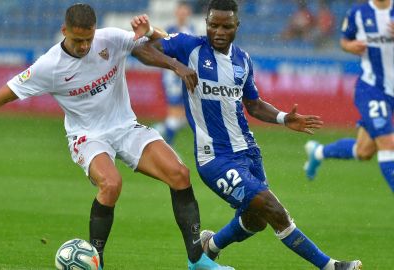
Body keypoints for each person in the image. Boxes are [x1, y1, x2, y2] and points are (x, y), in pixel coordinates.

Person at [0, 4, 234, 270]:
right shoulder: (48, 66)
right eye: (78, 40)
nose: (84, 46)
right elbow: (2, 96)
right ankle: (96, 262)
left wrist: (175, 65)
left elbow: (141, 48)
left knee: (180, 174)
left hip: (125, 127)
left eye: (88, 39)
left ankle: (197, 260)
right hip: (87, 136)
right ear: (64, 31)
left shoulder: (108, 38)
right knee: (111, 183)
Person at [133, 0, 362, 269]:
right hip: (215, 160)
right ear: (206, 24)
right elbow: (140, 49)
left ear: (236, 27)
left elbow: (252, 104)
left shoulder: (243, 59)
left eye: (226, 26)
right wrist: (175, 65)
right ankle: (331, 266)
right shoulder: (189, 46)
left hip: (248, 152)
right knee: (274, 210)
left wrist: (283, 118)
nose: (219, 31)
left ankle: (211, 245)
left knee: (256, 219)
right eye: (213, 25)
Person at [304, 0, 394, 193]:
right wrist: (351, 46)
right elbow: (345, 40)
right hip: (372, 89)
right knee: (388, 143)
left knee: (364, 151)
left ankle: (318, 152)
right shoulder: (359, 13)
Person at [155, 1, 195, 145]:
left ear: (188, 13)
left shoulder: (191, 29)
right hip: (173, 77)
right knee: (175, 113)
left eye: (185, 12)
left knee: (183, 117)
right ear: (176, 13)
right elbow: (163, 51)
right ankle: (166, 145)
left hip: (185, 75)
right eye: (181, 12)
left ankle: (159, 132)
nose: (183, 15)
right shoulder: (169, 30)